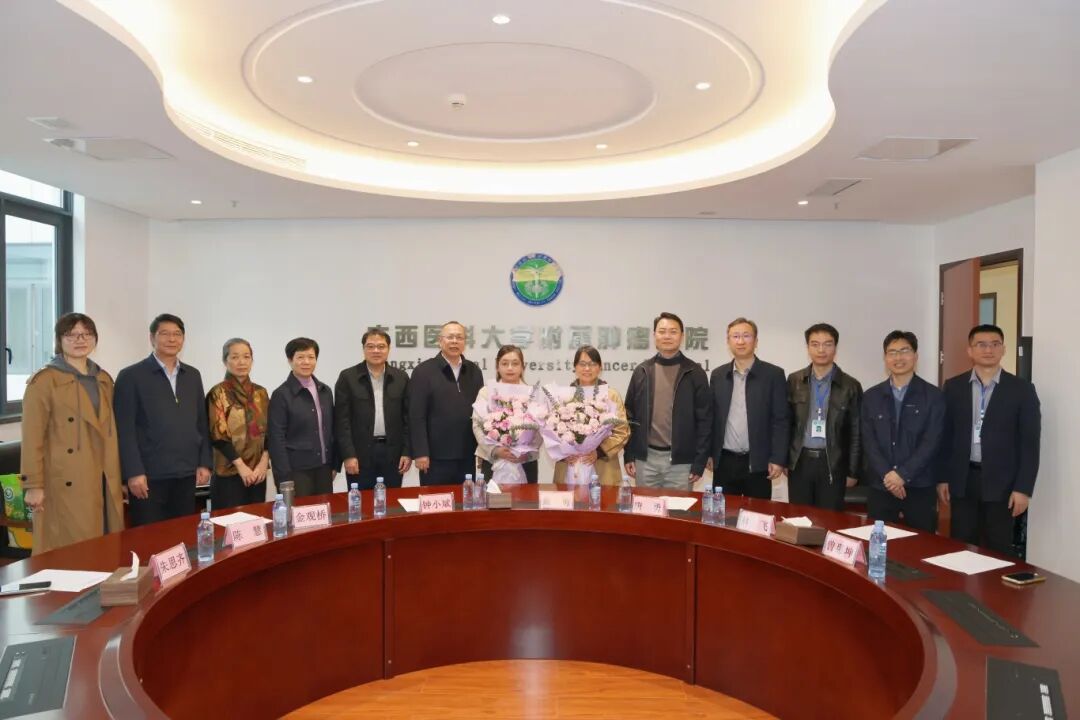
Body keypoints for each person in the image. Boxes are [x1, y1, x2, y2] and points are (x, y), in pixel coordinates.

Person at [19, 313, 124, 553]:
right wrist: (33, 485)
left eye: (86, 334)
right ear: (59, 340)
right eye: (71, 335)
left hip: (103, 475)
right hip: (65, 478)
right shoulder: (44, 381)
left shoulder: (103, 379)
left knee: (106, 543)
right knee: (70, 549)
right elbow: (32, 437)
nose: (80, 340)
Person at [940, 324, 1041, 556]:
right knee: (960, 547)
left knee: (998, 549)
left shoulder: (1022, 390)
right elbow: (945, 437)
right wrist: (943, 478)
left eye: (995, 344)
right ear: (970, 350)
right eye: (981, 344)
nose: (988, 350)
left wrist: (1023, 489)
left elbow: (1030, 444)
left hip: (1003, 483)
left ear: (1003, 349)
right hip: (963, 479)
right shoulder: (953, 387)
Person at [114, 313, 211, 526]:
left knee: (182, 533)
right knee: (149, 537)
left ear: (183, 339)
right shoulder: (131, 376)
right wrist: (133, 472)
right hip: (148, 477)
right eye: (165, 334)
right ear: (152, 338)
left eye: (177, 334)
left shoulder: (192, 375)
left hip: (186, 473)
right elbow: (124, 430)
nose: (171, 339)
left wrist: (204, 463)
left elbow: (201, 423)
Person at [861, 331, 944, 531]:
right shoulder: (871, 396)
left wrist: (902, 475)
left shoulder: (934, 396)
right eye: (892, 352)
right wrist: (889, 476)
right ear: (885, 358)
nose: (898, 357)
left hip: (920, 485)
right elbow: (869, 441)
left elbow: (932, 441)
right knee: (879, 542)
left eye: (904, 351)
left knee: (921, 544)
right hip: (881, 485)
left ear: (915, 356)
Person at [624, 312, 711, 490]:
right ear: (654, 335)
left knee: (679, 508)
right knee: (645, 507)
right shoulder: (642, 371)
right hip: (646, 460)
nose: (667, 336)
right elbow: (629, 416)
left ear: (682, 336)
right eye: (662, 331)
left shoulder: (695, 373)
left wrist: (699, 462)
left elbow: (705, 421)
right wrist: (629, 454)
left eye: (673, 331)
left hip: (681, 464)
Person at [786, 323, 862, 511]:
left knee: (829, 519)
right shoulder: (795, 381)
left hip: (833, 463)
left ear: (835, 347)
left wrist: (853, 471)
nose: (821, 350)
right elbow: (786, 424)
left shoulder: (851, 386)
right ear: (808, 347)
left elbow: (857, 432)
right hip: (800, 462)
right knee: (798, 519)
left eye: (827, 344)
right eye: (815, 344)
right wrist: (785, 460)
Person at [711, 317, 788, 499]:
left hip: (758, 462)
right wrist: (708, 454)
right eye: (735, 336)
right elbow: (711, 418)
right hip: (724, 461)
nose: (741, 341)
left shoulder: (773, 374)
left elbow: (781, 420)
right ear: (728, 341)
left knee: (758, 514)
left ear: (756, 341)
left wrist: (778, 458)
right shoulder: (718, 375)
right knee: (723, 512)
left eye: (746, 336)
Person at [409, 321, 485, 486]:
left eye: (459, 337)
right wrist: (421, 452)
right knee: (436, 500)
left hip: (466, 454)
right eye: (450, 337)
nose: (454, 341)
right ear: (440, 341)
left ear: (465, 342)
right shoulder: (423, 371)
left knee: (465, 499)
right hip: (434, 457)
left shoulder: (474, 371)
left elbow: (481, 415)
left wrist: (482, 450)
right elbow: (416, 416)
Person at [334, 329, 411, 490]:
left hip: (393, 453)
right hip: (359, 454)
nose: (376, 351)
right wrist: (348, 455)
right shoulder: (348, 377)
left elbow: (408, 419)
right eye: (370, 346)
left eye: (381, 346)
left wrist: (407, 451)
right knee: (360, 500)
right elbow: (342, 421)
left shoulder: (401, 377)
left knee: (391, 499)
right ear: (363, 349)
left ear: (388, 349)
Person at [268, 337, 337, 498]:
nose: (306, 362)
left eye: (311, 357)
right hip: (295, 472)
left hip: (324, 469)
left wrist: (334, 464)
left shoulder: (325, 391)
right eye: (300, 357)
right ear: (290, 360)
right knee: (298, 513)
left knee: (324, 511)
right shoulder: (281, 395)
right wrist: (284, 476)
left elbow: (332, 430)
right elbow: (276, 439)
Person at [205, 338, 270, 509]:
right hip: (229, 472)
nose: (241, 362)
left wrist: (264, 462)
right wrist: (241, 466)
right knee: (230, 522)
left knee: (258, 520)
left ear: (252, 360)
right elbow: (218, 435)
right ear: (225, 361)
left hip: (257, 472)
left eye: (246, 357)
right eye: (235, 357)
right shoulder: (218, 392)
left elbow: (270, 430)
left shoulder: (261, 393)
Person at [553, 345, 630, 486]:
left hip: (602, 467)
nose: (587, 368)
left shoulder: (611, 395)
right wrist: (564, 454)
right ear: (575, 367)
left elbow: (622, 431)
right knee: (567, 499)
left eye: (592, 364)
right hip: (569, 465)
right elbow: (552, 431)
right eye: (582, 364)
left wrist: (599, 452)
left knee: (602, 499)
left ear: (600, 367)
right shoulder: (563, 396)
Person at [472, 345, 539, 483]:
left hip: (525, 462)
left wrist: (527, 454)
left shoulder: (532, 393)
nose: (510, 368)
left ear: (523, 367)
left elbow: (540, 429)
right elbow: (477, 425)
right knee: (491, 497)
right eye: (504, 363)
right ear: (497, 366)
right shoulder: (486, 392)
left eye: (515, 363)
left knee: (527, 497)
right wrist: (495, 450)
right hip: (493, 461)